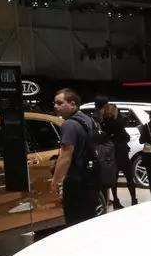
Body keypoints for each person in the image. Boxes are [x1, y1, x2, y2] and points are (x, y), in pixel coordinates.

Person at [51, 88, 103, 226]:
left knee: (74, 222)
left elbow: (65, 156)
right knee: (88, 220)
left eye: (59, 103)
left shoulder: (69, 124)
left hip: (76, 181)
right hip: (91, 177)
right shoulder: (88, 120)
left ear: (72, 104)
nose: (56, 106)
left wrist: (56, 181)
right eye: (55, 103)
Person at [99, 103, 137, 209]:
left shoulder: (102, 124)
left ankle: (115, 200)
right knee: (129, 177)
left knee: (113, 179)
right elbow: (126, 137)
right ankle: (133, 200)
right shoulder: (118, 123)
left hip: (110, 154)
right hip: (121, 153)